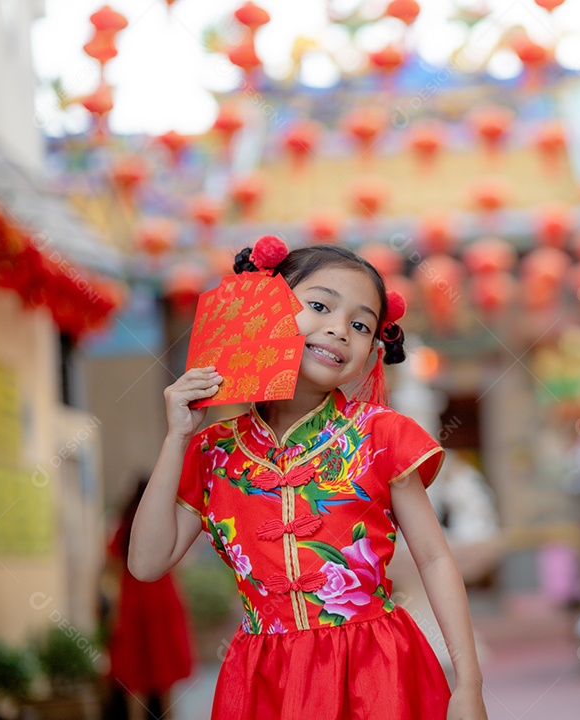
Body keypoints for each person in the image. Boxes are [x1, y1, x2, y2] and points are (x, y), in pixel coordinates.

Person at [127, 238, 488, 720]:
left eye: (362, 325)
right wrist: (176, 439)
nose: (340, 330)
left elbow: (434, 558)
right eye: (319, 306)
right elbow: (147, 564)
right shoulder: (213, 452)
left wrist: (468, 683)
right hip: (265, 683)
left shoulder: (381, 435)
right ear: (263, 309)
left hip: (377, 673)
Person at [106, 480, 194, 720]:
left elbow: (113, 567)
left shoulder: (124, 525)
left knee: (135, 675)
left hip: (132, 602)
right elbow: (179, 561)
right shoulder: (163, 520)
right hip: (162, 599)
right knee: (165, 673)